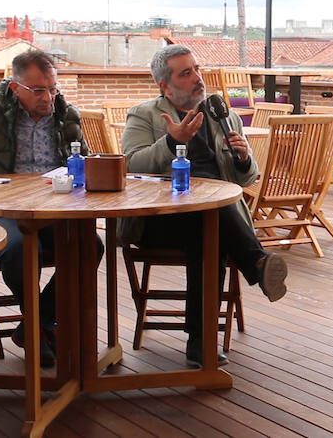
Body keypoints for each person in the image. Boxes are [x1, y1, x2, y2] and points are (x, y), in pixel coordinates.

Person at [119, 44, 288, 367]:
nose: (198, 78)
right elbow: (129, 166)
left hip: (211, 218)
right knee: (209, 219)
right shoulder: (145, 115)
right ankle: (255, 263)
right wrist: (172, 141)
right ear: (164, 86)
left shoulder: (223, 115)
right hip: (160, 219)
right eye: (186, 73)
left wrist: (243, 158)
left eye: (197, 69)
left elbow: (246, 179)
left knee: (207, 224)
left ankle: (201, 341)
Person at [0, 49, 103, 367]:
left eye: (53, 88)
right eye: (39, 90)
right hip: (2, 210)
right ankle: (40, 329)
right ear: (14, 87)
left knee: (89, 246)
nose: (48, 97)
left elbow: (86, 162)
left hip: (54, 208)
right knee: (20, 247)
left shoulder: (67, 116)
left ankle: (36, 323)